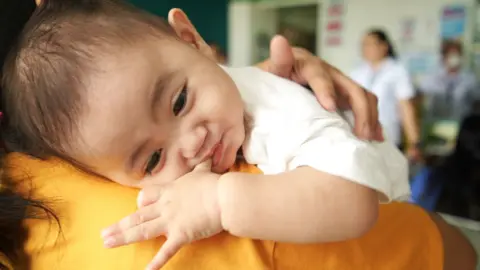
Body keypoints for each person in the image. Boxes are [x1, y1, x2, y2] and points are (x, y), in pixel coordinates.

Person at [0, 1, 475, 270]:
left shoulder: (279, 113)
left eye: (180, 102)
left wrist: (220, 201)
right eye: (150, 161)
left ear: (193, 41)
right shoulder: (207, 91)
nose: (191, 144)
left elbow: (354, 204)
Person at [350, 29, 422, 161]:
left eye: (369, 44)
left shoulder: (397, 71)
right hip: (359, 138)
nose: (364, 49)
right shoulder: (357, 72)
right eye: (363, 45)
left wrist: (414, 142)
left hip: (388, 137)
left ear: (384, 46)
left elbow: (406, 107)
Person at [420, 40, 479, 123]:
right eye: (451, 55)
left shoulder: (469, 79)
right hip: (435, 123)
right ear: (444, 57)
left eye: (457, 55)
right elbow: (422, 95)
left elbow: (476, 101)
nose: (454, 58)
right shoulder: (432, 77)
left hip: (461, 123)